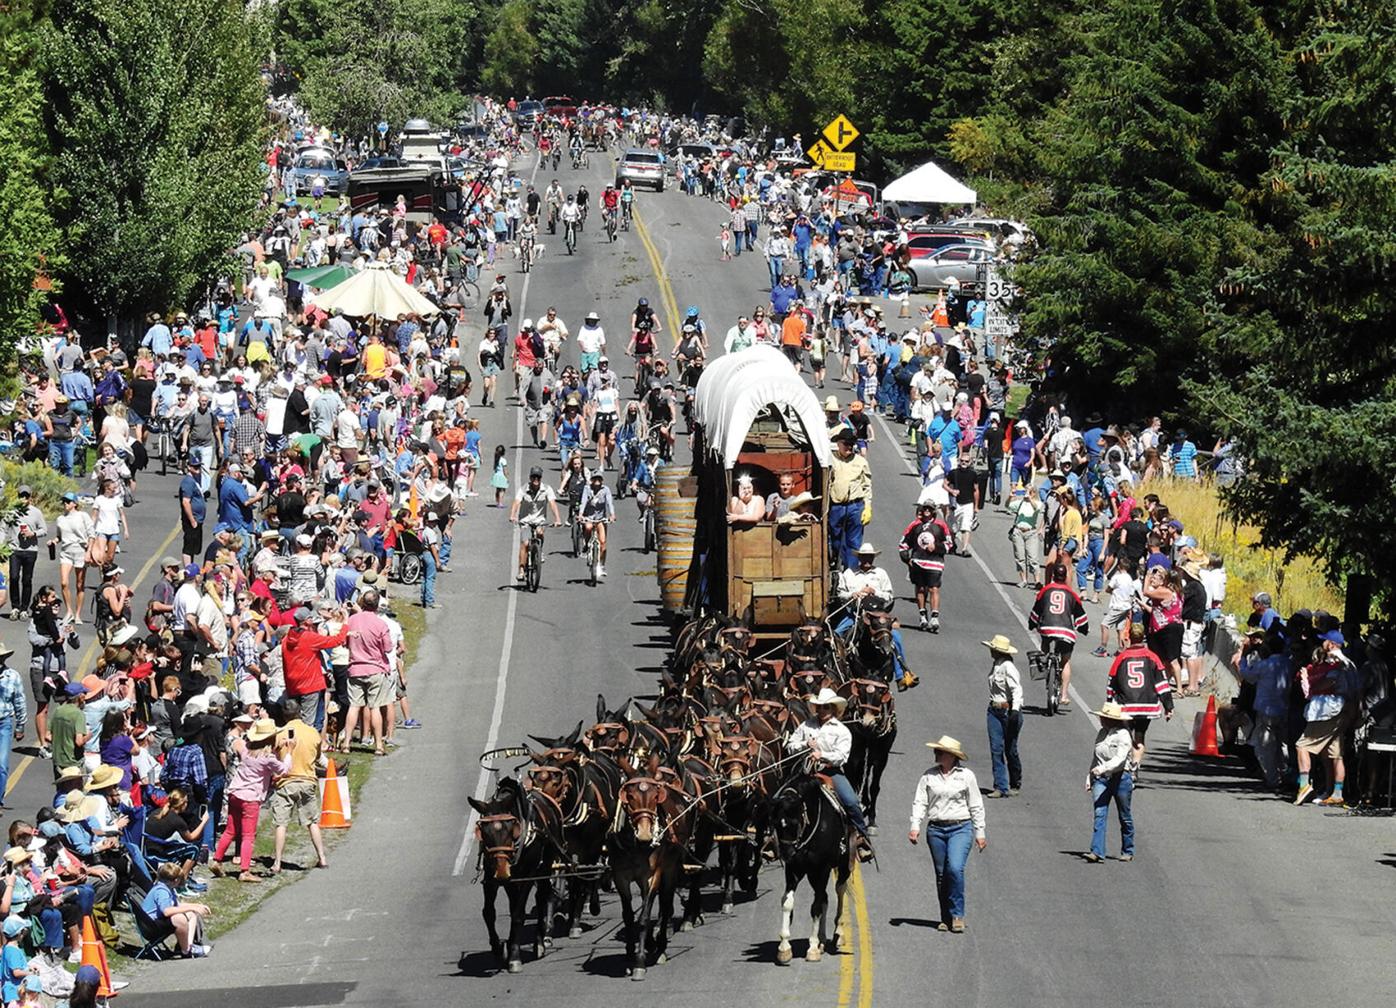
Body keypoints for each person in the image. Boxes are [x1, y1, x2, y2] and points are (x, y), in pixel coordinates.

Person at [908, 736, 987, 933]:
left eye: (940, 752)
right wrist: (915, 826)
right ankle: (945, 917)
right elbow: (920, 802)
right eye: (936, 751)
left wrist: (980, 832)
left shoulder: (966, 776)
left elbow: (976, 804)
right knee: (942, 874)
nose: (936, 754)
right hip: (936, 829)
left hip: (960, 827)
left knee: (955, 868)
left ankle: (958, 914)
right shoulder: (928, 776)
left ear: (952, 756)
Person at [786, 688, 874, 862]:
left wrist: (822, 755)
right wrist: (804, 744)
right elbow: (790, 746)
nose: (821, 710)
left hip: (829, 772)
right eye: (819, 707)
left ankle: (863, 838)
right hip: (805, 771)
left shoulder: (842, 731)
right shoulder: (806, 725)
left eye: (825, 707)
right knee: (780, 797)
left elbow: (842, 757)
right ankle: (770, 836)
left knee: (851, 801)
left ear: (833, 709)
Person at [210, 718, 292, 883]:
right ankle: (245, 871)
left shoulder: (246, 750)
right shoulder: (268, 758)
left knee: (230, 830)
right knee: (248, 835)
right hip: (251, 798)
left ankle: (217, 860)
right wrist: (289, 751)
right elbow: (284, 769)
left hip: (235, 793)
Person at [833, 544, 918, 690]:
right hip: (856, 613)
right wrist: (853, 594)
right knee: (836, 635)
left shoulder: (881, 574)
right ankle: (835, 670)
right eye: (864, 557)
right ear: (859, 557)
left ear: (873, 558)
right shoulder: (848, 573)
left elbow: (889, 595)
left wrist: (874, 592)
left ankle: (901, 675)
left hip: (877, 617)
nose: (867, 560)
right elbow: (841, 594)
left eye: (869, 557)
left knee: (895, 637)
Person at [1294, 629, 1354, 807]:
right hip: (1342, 710)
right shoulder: (1350, 663)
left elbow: (1330, 682)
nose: (1322, 644)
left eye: (1324, 641)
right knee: (1334, 753)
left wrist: (1311, 686)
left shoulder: (1338, 663)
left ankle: (1304, 785)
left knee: (1302, 745)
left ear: (1332, 644)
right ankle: (1336, 792)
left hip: (1328, 710)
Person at [269, 698, 328, 873]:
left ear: (284, 715)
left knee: (281, 823)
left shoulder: (280, 734)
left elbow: (275, 758)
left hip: (286, 782)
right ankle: (322, 858)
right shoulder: (312, 732)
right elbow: (317, 756)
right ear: (300, 712)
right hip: (307, 780)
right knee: (312, 822)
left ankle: (277, 862)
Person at [1105, 623, 1174, 770]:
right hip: (1147, 706)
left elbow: (1111, 682)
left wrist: (1109, 701)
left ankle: (1126, 765)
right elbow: (1162, 684)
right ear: (1143, 637)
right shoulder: (1153, 657)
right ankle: (1136, 766)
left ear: (1128, 636)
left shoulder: (1122, 657)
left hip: (1127, 706)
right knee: (1140, 737)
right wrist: (1168, 706)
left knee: (1126, 736)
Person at [1028, 564, 1089, 710]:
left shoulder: (1045, 590)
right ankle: (1064, 694)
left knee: (1045, 641)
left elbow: (1036, 610)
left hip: (1047, 628)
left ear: (1053, 575)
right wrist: (1083, 629)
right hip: (1065, 631)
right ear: (1066, 576)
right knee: (1066, 660)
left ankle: (1045, 659)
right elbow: (1080, 617)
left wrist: (1032, 623)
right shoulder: (1072, 594)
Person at [1085, 702, 1135, 863]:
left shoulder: (1124, 735)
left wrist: (1104, 768)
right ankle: (1097, 851)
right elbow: (1096, 756)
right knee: (1099, 813)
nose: (1101, 719)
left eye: (1105, 717)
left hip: (1120, 778)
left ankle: (1128, 849)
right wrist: (1090, 776)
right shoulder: (1102, 733)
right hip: (1101, 779)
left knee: (1124, 815)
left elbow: (1120, 759)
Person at [140, 861, 213, 957]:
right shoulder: (161, 891)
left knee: (191, 914)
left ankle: (189, 946)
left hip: (156, 922)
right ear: (175, 880)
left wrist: (197, 906)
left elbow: (177, 905)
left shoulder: (167, 888)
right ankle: (186, 950)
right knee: (179, 918)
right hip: (151, 926)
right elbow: (167, 911)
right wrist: (192, 907)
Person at [981, 635, 1022, 798]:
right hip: (994, 710)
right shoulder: (996, 665)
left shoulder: (1008, 667)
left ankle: (1015, 781)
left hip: (1008, 710)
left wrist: (1015, 710)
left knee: (1010, 749)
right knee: (996, 748)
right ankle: (1000, 786)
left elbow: (1016, 690)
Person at [899, 502, 949, 633]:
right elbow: (903, 543)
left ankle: (934, 617)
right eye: (924, 508)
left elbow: (949, 543)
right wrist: (907, 559)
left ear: (933, 511)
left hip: (935, 563)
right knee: (920, 588)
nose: (926, 510)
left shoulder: (941, 525)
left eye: (929, 509)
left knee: (934, 588)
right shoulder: (914, 525)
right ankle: (922, 615)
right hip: (918, 562)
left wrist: (937, 548)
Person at [509, 466, 561, 582]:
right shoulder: (523, 489)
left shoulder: (547, 489)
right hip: (525, 520)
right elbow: (516, 502)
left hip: (539, 520)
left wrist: (557, 519)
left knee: (539, 532)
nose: (535, 479)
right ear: (530, 477)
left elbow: (553, 504)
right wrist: (512, 515)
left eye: (538, 477)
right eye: (533, 477)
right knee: (525, 543)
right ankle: (521, 570)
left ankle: (539, 551)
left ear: (541, 478)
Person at [828, 430, 872, 568]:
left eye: (851, 445)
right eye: (846, 444)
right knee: (835, 538)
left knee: (853, 541)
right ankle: (837, 560)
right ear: (838, 444)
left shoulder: (860, 461)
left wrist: (868, 506)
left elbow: (867, 485)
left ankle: (850, 571)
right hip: (837, 506)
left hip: (855, 505)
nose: (849, 447)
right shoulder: (831, 459)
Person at [578, 470, 616, 576]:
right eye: (595, 479)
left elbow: (609, 503)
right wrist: (581, 514)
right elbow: (583, 502)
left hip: (600, 519)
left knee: (603, 542)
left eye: (599, 479)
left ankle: (601, 565)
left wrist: (612, 515)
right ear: (591, 480)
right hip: (589, 517)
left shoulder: (606, 490)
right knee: (588, 528)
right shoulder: (587, 489)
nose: (597, 481)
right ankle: (586, 545)